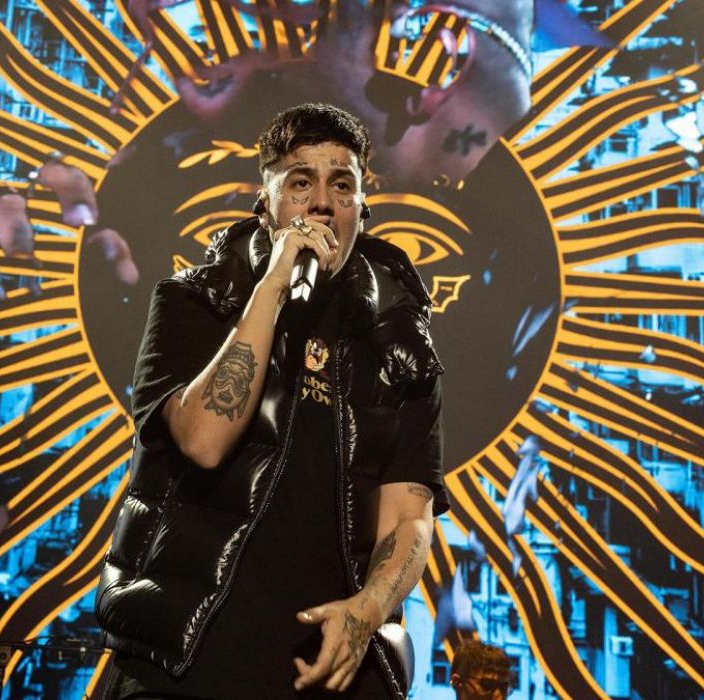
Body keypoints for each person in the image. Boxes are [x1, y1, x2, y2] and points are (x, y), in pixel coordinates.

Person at [95, 103, 448, 699]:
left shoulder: (401, 346)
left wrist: (367, 611)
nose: (322, 203)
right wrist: (274, 284)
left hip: (328, 667)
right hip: (190, 659)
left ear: (363, 207)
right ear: (266, 203)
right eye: (300, 183)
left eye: (342, 185)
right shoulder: (193, 303)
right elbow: (204, 441)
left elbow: (409, 516)